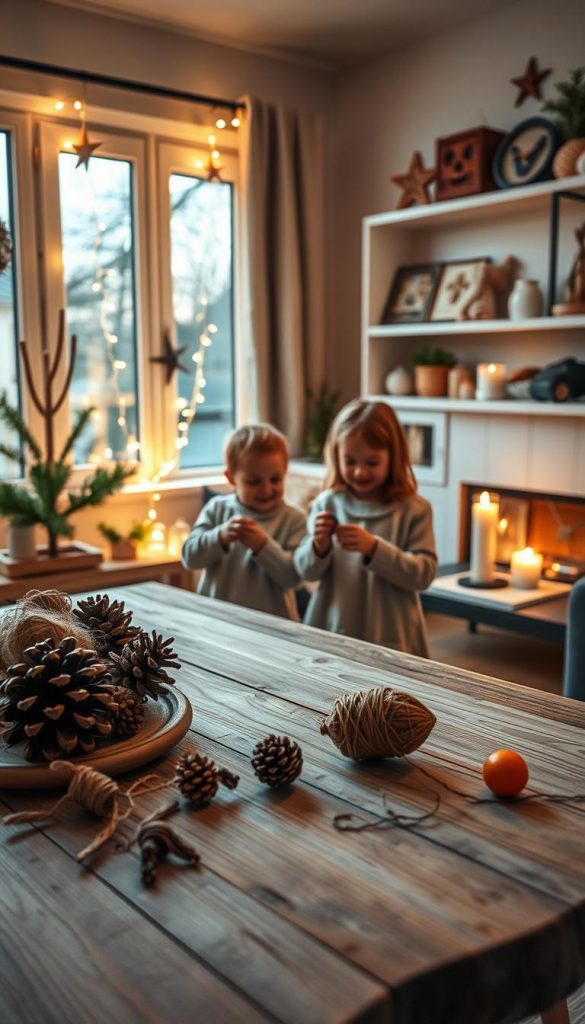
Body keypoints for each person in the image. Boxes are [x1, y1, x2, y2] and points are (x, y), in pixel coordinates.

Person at [294, 399, 437, 655]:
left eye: (371, 462)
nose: (360, 472)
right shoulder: (326, 504)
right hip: (331, 629)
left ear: (394, 457)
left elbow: (423, 575)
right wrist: (318, 546)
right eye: (350, 461)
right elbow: (306, 572)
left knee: (391, 695)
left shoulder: (414, 510)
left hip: (392, 635)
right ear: (336, 457)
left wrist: (374, 548)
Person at [182, 423, 306, 620]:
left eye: (275, 479)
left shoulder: (295, 520)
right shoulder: (217, 509)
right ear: (231, 478)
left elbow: (293, 578)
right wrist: (219, 537)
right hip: (216, 620)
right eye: (253, 481)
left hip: (274, 628)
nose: (266, 490)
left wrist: (263, 546)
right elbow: (189, 558)